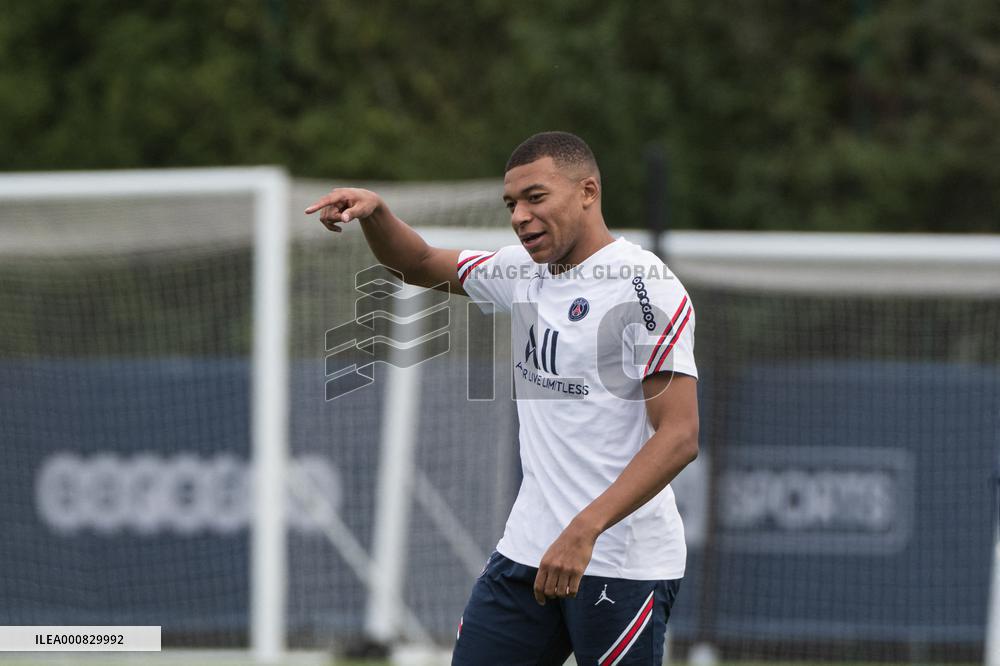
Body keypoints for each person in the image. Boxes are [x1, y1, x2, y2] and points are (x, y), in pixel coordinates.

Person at [306, 131, 699, 665]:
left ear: (587, 192)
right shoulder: (521, 270)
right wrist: (377, 214)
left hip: (619, 562)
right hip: (527, 551)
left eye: (536, 198)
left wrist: (585, 529)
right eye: (512, 204)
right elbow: (417, 261)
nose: (519, 216)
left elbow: (679, 436)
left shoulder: (645, 288)